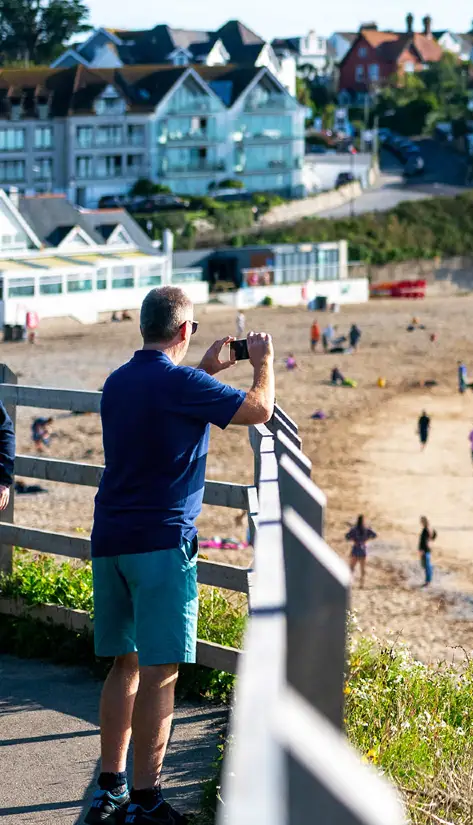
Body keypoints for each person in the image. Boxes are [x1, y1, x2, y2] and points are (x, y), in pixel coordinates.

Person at [90, 286, 274, 825]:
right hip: (162, 543)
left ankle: (111, 787)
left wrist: (207, 369)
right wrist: (260, 363)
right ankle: (146, 801)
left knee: (123, 663)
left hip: (111, 541)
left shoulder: (118, 382)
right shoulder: (180, 383)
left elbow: (169, 407)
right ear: (185, 331)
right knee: (161, 672)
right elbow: (259, 409)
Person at [345, 516, 376, 588]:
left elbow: (347, 537)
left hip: (355, 549)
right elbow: (374, 535)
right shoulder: (366, 529)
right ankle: (361, 584)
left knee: (351, 567)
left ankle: (349, 583)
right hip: (363, 550)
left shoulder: (354, 529)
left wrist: (353, 540)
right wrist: (367, 539)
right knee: (362, 568)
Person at [418, 516, 437, 587]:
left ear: (423, 522)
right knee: (426, 565)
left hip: (425, 550)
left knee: (426, 566)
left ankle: (428, 582)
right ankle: (428, 581)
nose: (420, 523)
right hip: (426, 550)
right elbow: (435, 534)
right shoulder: (430, 529)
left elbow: (423, 541)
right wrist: (431, 540)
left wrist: (421, 550)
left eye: (421, 521)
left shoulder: (425, 530)